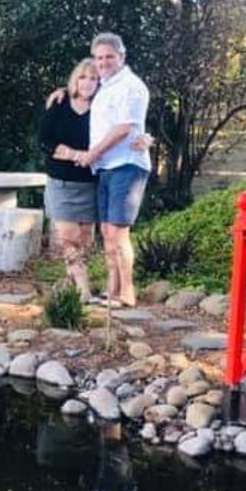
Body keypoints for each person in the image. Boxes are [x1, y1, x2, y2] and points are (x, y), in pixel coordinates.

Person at [74, 33, 151, 308]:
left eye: (109, 57)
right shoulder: (106, 85)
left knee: (118, 233)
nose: (103, 62)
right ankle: (113, 290)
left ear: (122, 57)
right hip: (107, 167)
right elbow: (79, 92)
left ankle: (127, 293)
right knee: (107, 230)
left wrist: (92, 154)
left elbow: (124, 128)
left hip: (126, 166)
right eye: (99, 57)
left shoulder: (130, 86)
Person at [38, 58, 99, 301]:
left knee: (84, 241)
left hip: (90, 184)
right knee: (68, 238)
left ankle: (74, 283)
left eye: (93, 78)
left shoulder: (103, 108)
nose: (87, 83)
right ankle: (83, 290)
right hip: (61, 183)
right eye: (83, 77)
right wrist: (74, 154)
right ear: (75, 79)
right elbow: (45, 141)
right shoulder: (59, 103)